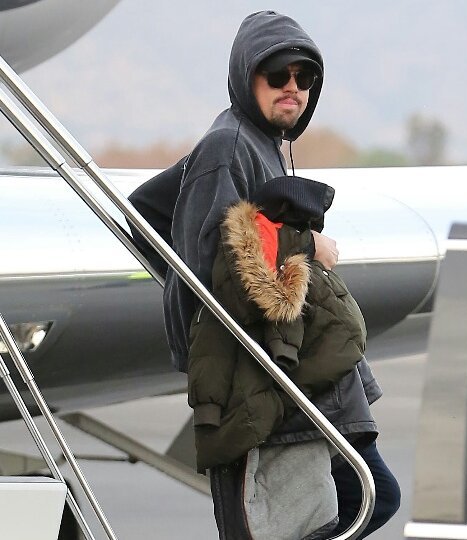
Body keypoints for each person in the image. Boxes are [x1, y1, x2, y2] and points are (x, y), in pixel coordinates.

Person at [131, 10, 400, 539]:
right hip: (260, 376)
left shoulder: (259, 144)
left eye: (305, 77)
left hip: (293, 366)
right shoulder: (228, 146)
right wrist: (307, 246)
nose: (292, 88)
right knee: (365, 499)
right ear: (245, 76)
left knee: (366, 499)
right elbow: (217, 267)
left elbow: (151, 210)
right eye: (278, 74)